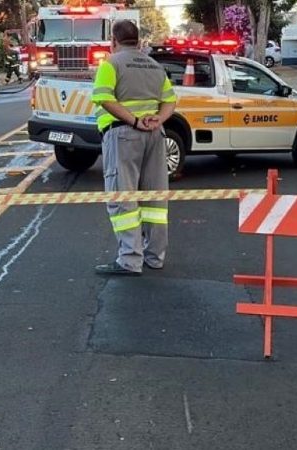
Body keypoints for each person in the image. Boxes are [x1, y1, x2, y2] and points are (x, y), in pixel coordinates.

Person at [91, 20, 177, 276]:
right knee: (155, 197)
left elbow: (104, 98)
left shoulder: (111, 64)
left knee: (123, 196)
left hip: (123, 136)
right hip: (155, 135)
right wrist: (157, 120)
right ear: (138, 41)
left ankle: (129, 259)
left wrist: (134, 121)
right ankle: (155, 256)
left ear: (114, 41)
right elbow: (170, 101)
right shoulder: (154, 65)